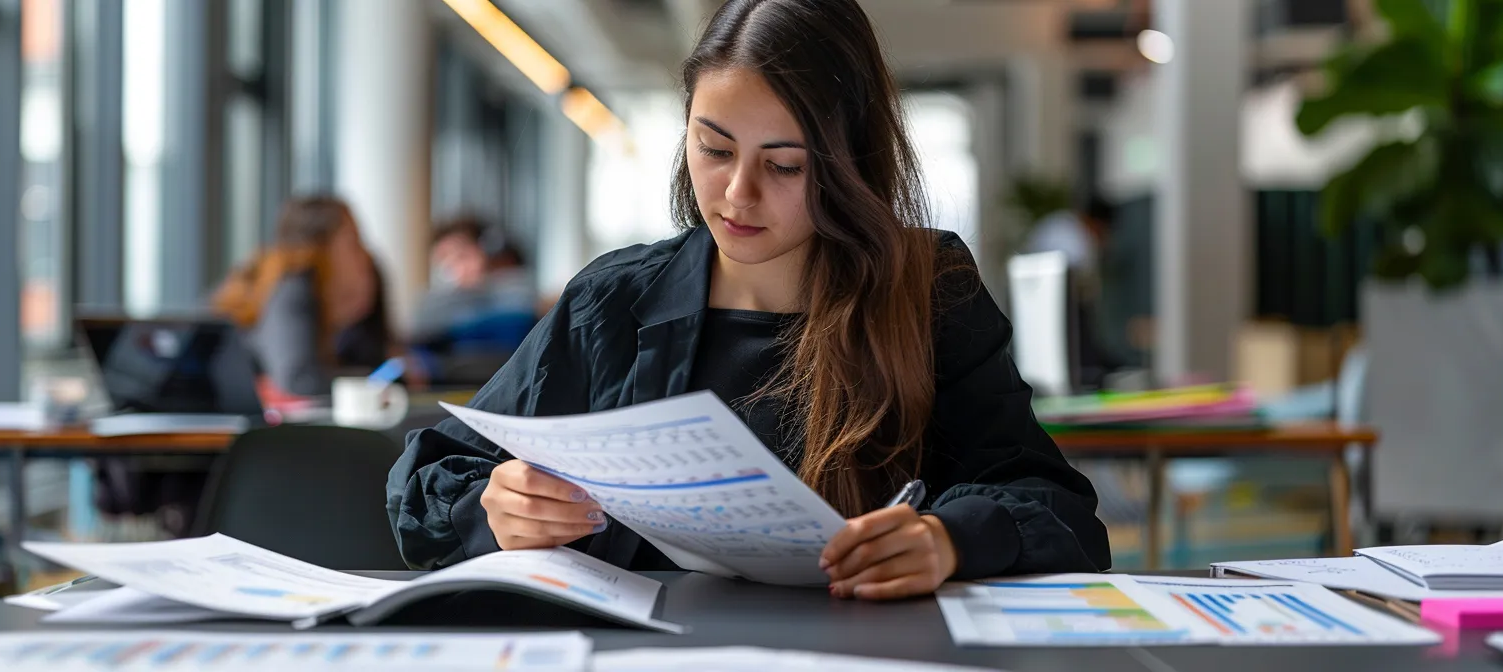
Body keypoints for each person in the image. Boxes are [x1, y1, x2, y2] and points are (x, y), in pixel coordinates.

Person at [387, 0, 1109, 601]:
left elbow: (1058, 507)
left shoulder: (926, 290)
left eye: (784, 164)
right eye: (714, 147)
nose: (738, 195)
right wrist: (494, 509)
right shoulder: (611, 301)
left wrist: (950, 539)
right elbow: (427, 479)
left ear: (848, 161)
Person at [213, 196, 397, 397]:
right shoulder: (293, 284)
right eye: (353, 241)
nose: (363, 253)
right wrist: (370, 382)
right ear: (324, 246)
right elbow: (299, 380)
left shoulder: (293, 285)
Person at [408, 217, 539, 386]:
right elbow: (419, 333)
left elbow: (520, 321)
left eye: (461, 256)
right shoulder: (429, 303)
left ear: (485, 252)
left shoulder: (516, 288)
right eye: (443, 260)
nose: (452, 267)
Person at [1025, 196, 1121, 386]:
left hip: (1036, 306)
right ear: (1098, 223)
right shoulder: (1076, 238)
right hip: (1051, 308)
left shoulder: (1061, 224)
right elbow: (1074, 281)